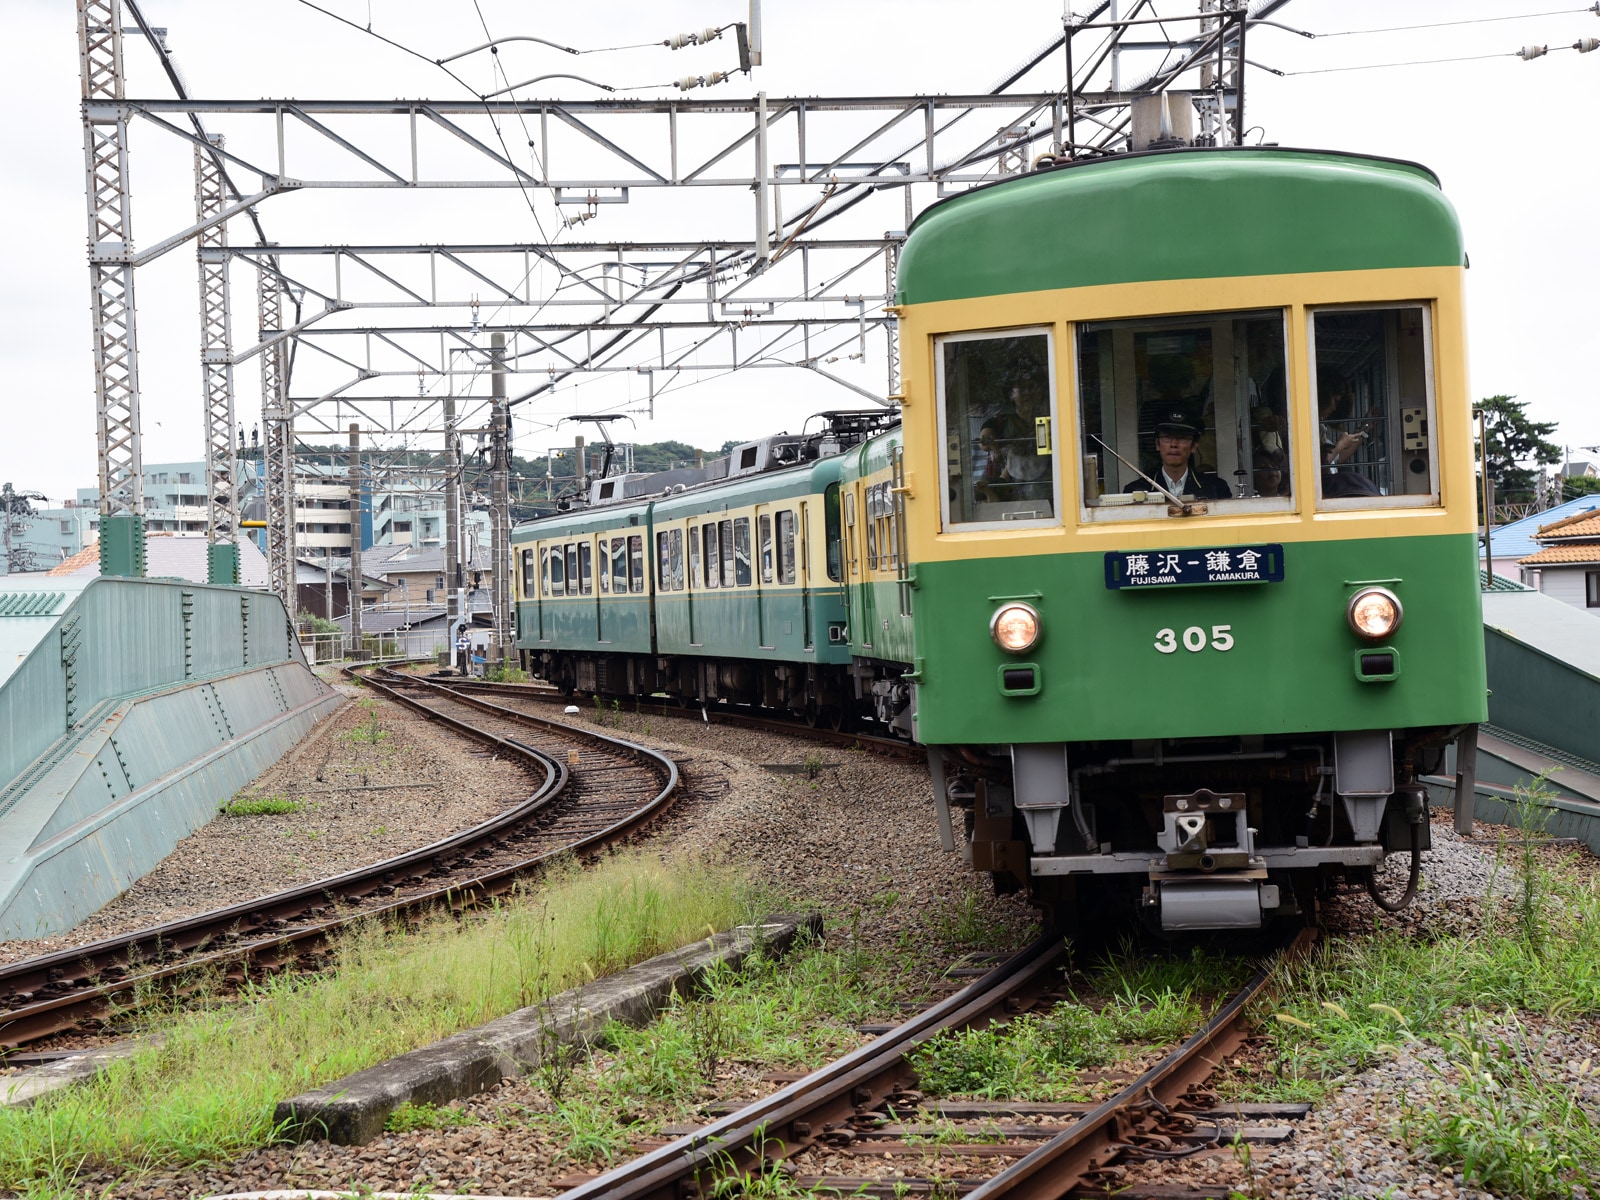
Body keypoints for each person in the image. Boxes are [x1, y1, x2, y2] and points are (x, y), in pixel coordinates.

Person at [1124, 407, 1232, 500]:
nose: (1174, 444)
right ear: (1157, 444)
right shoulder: (1135, 490)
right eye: (1167, 437)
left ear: (1194, 446)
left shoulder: (1216, 488)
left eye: (1182, 438)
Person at [977, 378, 1052, 503]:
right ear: (1011, 394)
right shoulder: (1001, 422)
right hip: (1013, 500)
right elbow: (985, 438)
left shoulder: (1051, 419)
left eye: (1031, 387)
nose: (1027, 392)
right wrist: (987, 438)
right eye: (1022, 388)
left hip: (1048, 496)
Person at [1318, 367, 1382, 498]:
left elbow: (1337, 458)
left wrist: (1365, 427)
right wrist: (1338, 446)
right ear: (1323, 395)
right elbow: (1316, 467)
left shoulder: (1319, 428)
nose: (1334, 408)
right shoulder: (1308, 428)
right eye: (1335, 401)